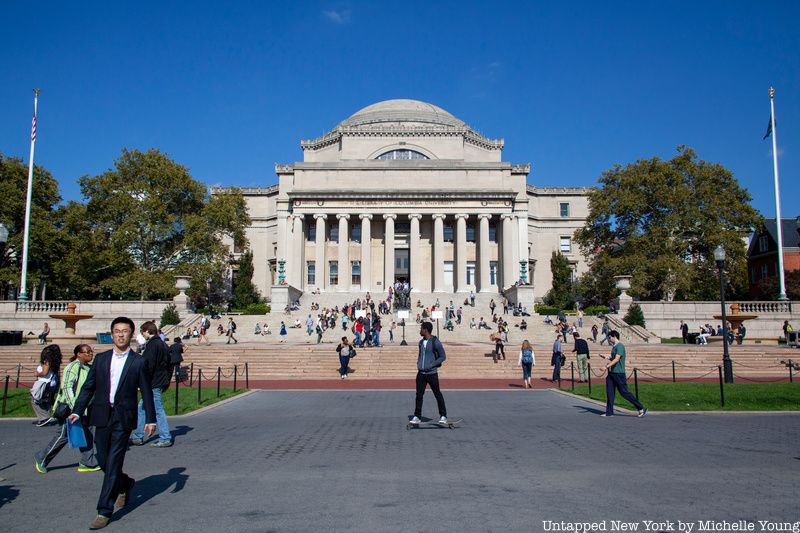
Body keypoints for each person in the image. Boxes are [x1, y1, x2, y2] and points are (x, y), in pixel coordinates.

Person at [69, 316, 156, 530]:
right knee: (102, 459)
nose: (120, 334)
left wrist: (151, 419)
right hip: (101, 414)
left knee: (114, 461)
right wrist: (77, 411)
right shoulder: (100, 359)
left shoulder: (138, 361)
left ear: (131, 334)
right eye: (117, 331)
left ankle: (104, 511)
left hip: (123, 417)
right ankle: (125, 483)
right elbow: (88, 387)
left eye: (124, 331)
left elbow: (146, 391)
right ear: (111, 334)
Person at [35, 344, 100, 474]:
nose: (90, 354)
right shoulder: (73, 367)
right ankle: (42, 458)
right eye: (86, 352)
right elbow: (66, 387)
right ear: (78, 354)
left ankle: (87, 461)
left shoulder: (88, 368)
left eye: (91, 352)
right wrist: (75, 409)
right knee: (63, 435)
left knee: (87, 433)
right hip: (70, 409)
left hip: (84, 408)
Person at [130, 321, 172, 447]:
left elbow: (148, 365)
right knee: (142, 407)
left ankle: (165, 437)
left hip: (153, 382)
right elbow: (169, 364)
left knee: (157, 409)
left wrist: (141, 382)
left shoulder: (152, 345)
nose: (142, 334)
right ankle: (137, 435)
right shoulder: (162, 344)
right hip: (159, 380)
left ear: (147, 331)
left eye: (143, 332)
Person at [598, 330, 647, 418]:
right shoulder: (614, 347)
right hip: (612, 373)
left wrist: (606, 367)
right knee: (610, 393)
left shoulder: (620, 346)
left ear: (614, 336)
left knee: (624, 393)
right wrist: (606, 357)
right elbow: (613, 358)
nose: (609, 339)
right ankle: (609, 412)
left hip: (619, 374)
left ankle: (640, 407)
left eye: (609, 337)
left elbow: (617, 359)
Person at [409, 322, 448, 426]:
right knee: (419, 395)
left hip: (432, 373)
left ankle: (443, 416)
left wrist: (432, 364)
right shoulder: (421, 342)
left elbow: (443, 356)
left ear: (426, 330)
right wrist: (418, 363)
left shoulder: (435, 341)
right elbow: (420, 355)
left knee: (437, 394)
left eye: (421, 328)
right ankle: (417, 416)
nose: (420, 330)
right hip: (421, 373)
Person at [31, 345, 62, 426]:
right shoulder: (56, 361)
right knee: (46, 400)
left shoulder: (47, 361)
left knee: (35, 399)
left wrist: (37, 373)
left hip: (44, 383)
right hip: (52, 383)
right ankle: (44, 417)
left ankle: (44, 418)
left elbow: (44, 373)